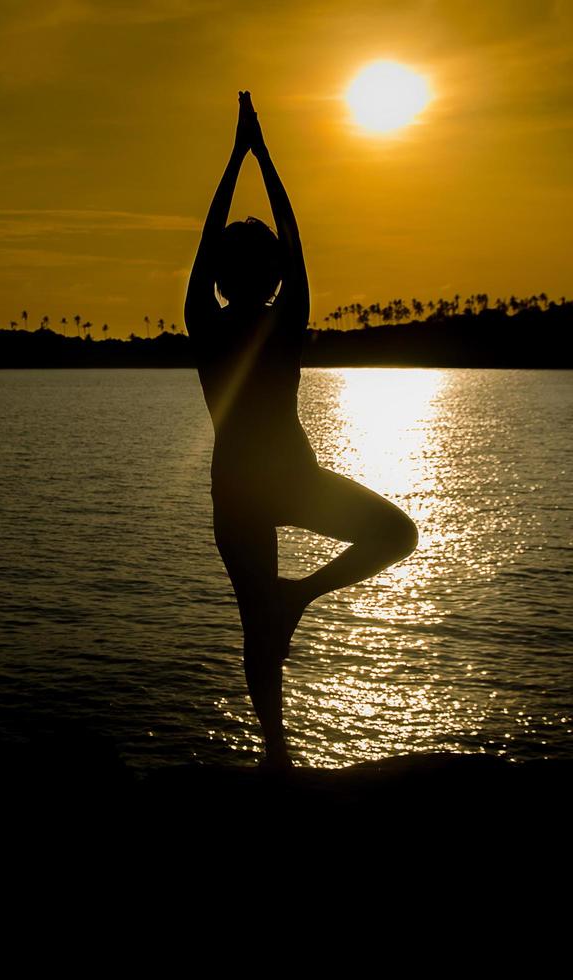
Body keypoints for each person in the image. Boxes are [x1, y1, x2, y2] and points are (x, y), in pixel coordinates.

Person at [184, 91, 419, 770]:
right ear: (257, 276)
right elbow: (286, 239)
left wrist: (239, 157)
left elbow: (226, 245)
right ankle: (278, 748)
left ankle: (277, 745)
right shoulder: (272, 324)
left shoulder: (214, 325)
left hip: (251, 487)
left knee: (266, 619)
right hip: (277, 483)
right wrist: (257, 155)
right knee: (388, 540)